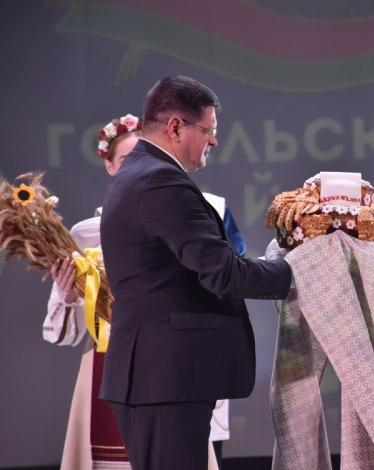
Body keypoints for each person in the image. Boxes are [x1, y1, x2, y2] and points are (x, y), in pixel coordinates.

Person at [98, 76, 292, 470]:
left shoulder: (137, 173)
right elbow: (224, 272)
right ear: (175, 127)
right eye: (209, 130)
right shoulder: (159, 180)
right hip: (165, 379)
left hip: (159, 377)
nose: (214, 141)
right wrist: (298, 271)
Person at [44, 114, 246, 470]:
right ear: (110, 166)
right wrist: (70, 294)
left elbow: (229, 274)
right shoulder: (87, 233)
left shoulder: (203, 209)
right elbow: (62, 333)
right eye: (126, 159)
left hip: (175, 360)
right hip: (111, 362)